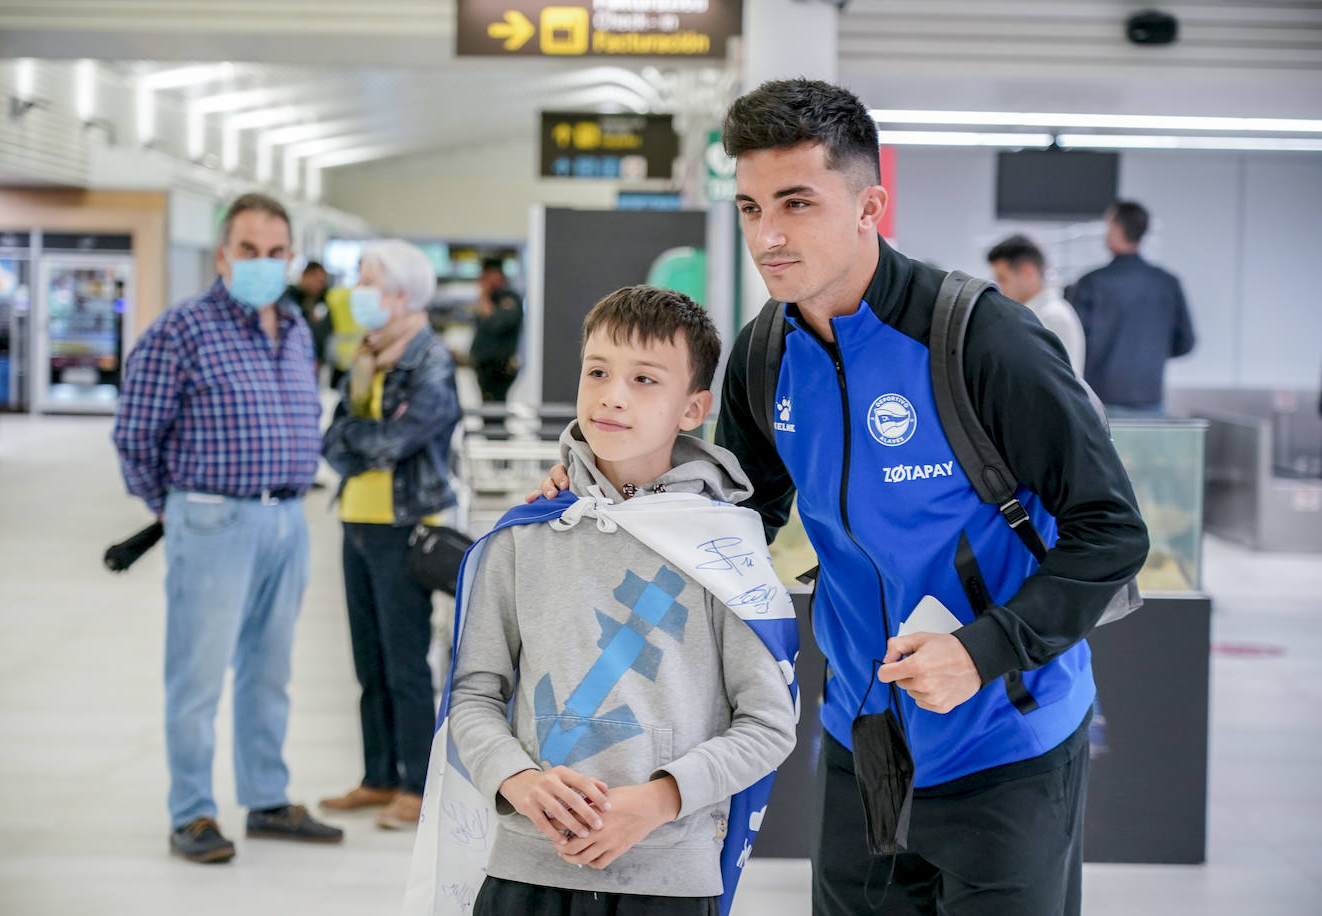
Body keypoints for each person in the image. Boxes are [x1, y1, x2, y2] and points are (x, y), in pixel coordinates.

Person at [539, 80, 1148, 915]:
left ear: (870, 206)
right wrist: (608, 488)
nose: (770, 235)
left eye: (797, 202)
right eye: (751, 207)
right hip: (861, 734)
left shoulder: (981, 340)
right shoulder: (765, 353)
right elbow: (737, 516)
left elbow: (1110, 531)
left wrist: (982, 650)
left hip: (1006, 738)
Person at [429, 286, 797, 915]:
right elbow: (472, 694)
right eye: (597, 371)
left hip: (668, 878)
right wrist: (518, 782)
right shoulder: (523, 536)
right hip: (526, 869)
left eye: (645, 379)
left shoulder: (724, 549)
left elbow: (767, 723)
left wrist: (658, 801)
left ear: (693, 408)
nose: (612, 395)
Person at [112, 192, 343, 864]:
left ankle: (266, 798)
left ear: (291, 258)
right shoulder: (180, 331)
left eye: (276, 253)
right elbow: (135, 434)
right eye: (249, 251)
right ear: (222, 255)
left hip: (287, 519)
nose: (263, 264)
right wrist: (173, 506)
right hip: (212, 516)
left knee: (269, 670)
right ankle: (192, 813)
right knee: (199, 673)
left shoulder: (297, 329)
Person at [319, 240, 461, 830]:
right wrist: (361, 441)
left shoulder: (431, 360)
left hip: (405, 526)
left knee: (405, 662)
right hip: (356, 518)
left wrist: (361, 439)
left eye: (369, 280)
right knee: (367, 661)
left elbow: (393, 442)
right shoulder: (363, 354)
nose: (359, 291)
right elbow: (333, 440)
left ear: (402, 294)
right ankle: (377, 777)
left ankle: (416, 782)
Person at [1072, 200, 1196, 415]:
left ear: (1116, 229)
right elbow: (1186, 342)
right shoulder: (1166, 283)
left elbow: (1074, 343)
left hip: (1100, 401)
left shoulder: (1091, 283)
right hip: (1150, 399)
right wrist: (1150, 352)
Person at [986, 234, 1086, 377]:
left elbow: (1054, 384)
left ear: (1028, 273)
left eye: (1002, 278)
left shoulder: (1051, 317)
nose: (999, 287)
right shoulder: (1034, 315)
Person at [468, 257, 523, 404]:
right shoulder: (493, 299)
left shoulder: (509, 299)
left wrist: (484, 296)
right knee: (487, 409)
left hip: (499, 368)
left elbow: (496, 324)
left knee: (495, 409)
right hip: (484, 367)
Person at [285, 260, 332, 375]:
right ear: (305, 276)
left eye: (322, 283)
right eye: (317, 281)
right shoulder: (288, 300)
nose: (319, 286)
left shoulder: (322, 301)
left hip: (313, 364)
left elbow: (325, 331)